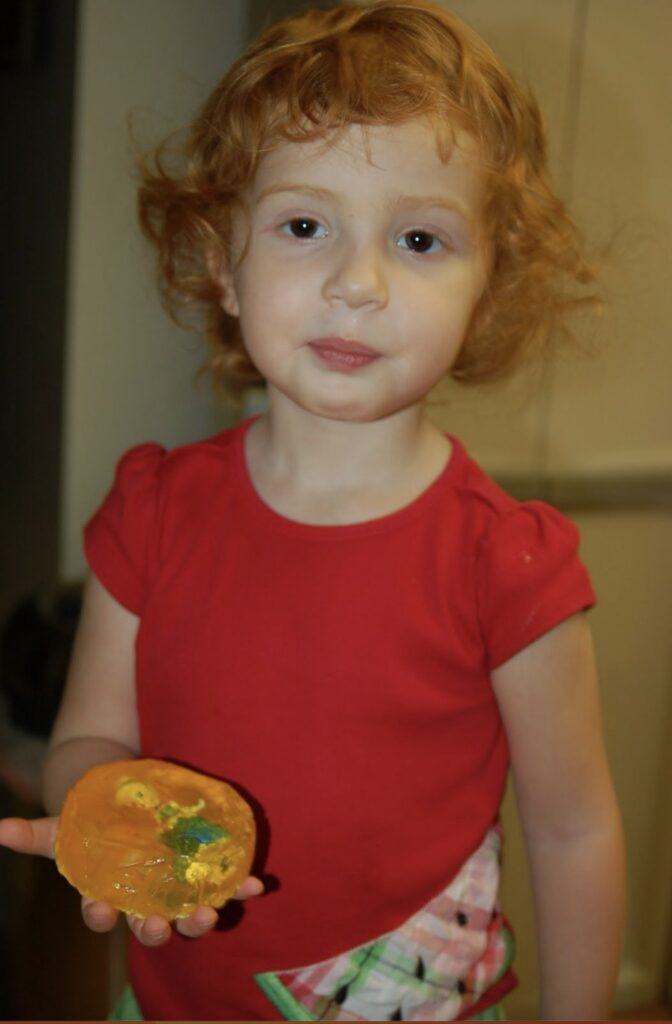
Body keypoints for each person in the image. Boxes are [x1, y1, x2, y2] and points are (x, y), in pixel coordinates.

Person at [0, 1, 625, 1020]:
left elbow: (574, 829)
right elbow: (91, 737)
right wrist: (104, 818)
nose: (357, 282)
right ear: (221, 259)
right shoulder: (154, 513)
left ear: (490, 287)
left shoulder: (508, 563)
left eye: (420, 238)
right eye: (303, 226)